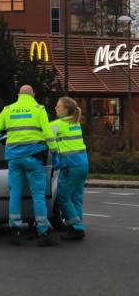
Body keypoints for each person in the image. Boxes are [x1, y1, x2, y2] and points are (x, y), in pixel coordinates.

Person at [0, 85, 58, 247]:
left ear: (18, 95)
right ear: (33, 94)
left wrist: (5, 139)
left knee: (15, 194)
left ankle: (16, 230)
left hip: (14, 159)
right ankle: (43, 231)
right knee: (38, 195)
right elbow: (48, 133)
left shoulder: (8, 109)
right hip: (34, 158)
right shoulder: (38, 109)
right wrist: (54, 151)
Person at [50, 96, 88, 241]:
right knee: (76, 198)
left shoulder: (57, 124)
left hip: (70, 165)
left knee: (63, 198)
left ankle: (77, 228)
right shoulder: (75, 122)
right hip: (83, 164)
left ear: (66, 109)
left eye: (58, 106)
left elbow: (41, 134)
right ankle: (77, 227)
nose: (55, 108)